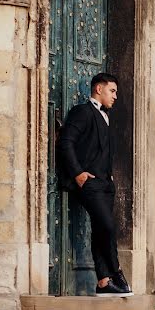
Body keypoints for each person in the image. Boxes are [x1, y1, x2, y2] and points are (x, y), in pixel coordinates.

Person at [57, 72, 132, 296]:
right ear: (98, 89)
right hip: (88, 183)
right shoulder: (82, 112)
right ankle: (116, 271)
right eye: (112, 91)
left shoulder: (107, 117)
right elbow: (66, 142)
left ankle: (103, 283)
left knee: (101, 229)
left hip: (105, 185)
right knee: (107, 226)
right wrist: (78, 173)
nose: (116, 96)